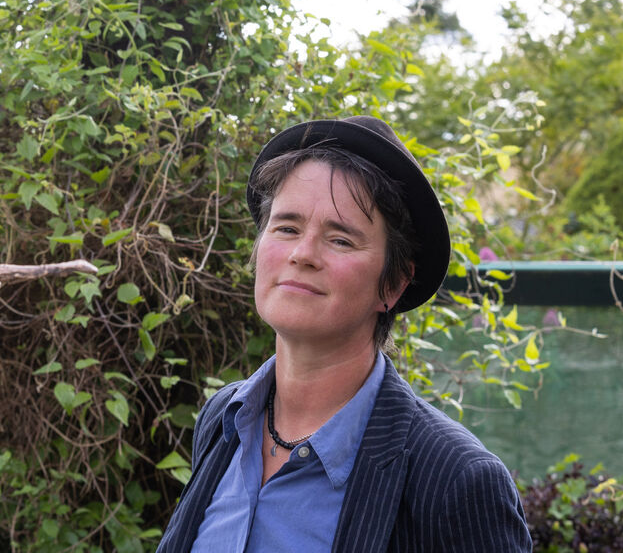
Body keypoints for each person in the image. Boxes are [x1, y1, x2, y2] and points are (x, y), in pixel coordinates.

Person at [156, 116, 531, 552]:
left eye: (341, 240)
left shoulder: (456, 480)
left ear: (392, 285)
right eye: (286, 228)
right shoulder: (225, 418)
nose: (302, 254)